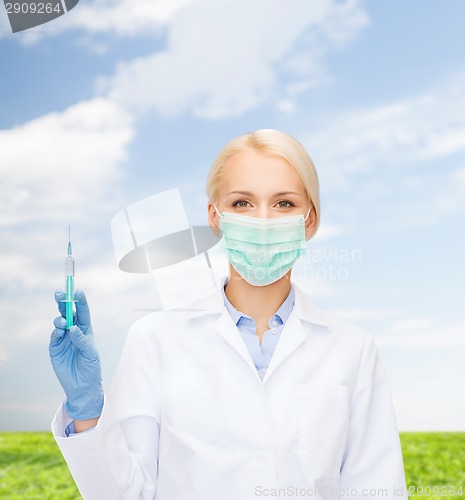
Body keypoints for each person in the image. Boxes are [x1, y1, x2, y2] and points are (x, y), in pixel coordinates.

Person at [49, 129, 408, 500]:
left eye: (284, 203)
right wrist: (87, 411)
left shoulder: (353, 350)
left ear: (310, 219)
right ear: (215, 217)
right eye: (242, 203)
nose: (264, 220)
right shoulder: (155, 339)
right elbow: (125, 495)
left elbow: (378, 490)